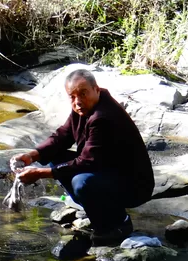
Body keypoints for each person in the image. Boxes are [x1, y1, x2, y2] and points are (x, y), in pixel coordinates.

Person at [11, 68, 154, 245]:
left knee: (82, 182)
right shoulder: (84, 107)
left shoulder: (102, 116)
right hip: (109, 170)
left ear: (96, 89)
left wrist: (40, 173)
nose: (77, 101)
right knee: (56, 158)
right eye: (72, 97)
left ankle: (118, 224)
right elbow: (63, 135)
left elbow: (86, 161)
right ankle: (97, 210)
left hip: (134, 185)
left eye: (83, 93)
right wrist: (33, 155)